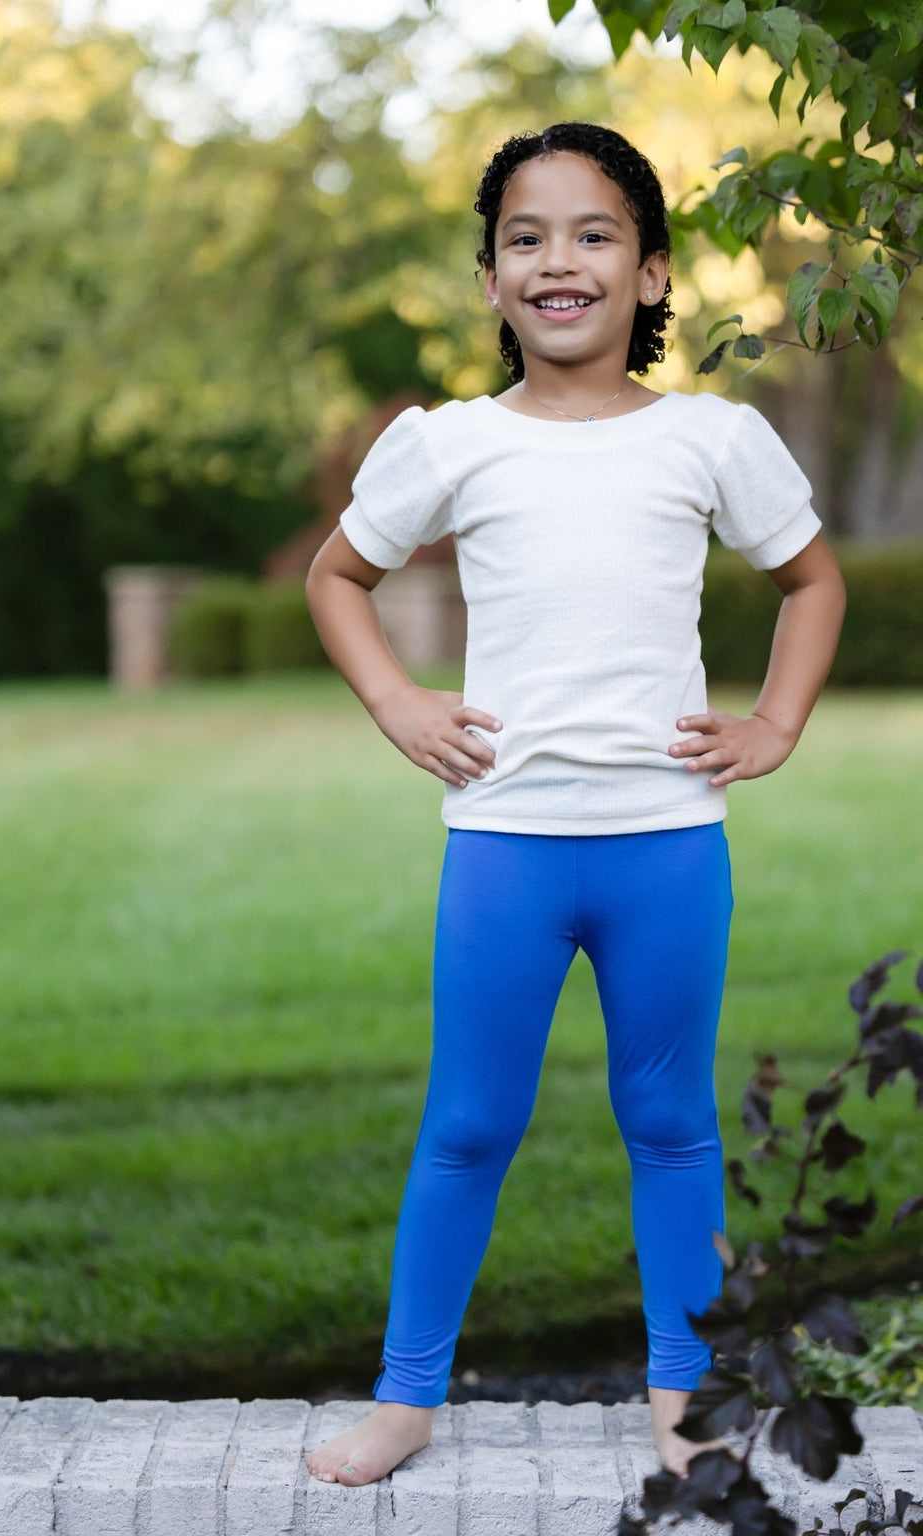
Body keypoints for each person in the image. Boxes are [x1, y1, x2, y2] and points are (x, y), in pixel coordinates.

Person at [303, 121, 846, 1485]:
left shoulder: (711, 438)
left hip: (668, 844)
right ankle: (405, 1400)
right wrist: (398, 703)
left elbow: (812, 580)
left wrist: (776, 721)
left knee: (670, 1125)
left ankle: (683, 1393)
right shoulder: (452, 444)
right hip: (507, 848)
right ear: (490, 278)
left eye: (595, 234)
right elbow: (337, 576)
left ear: (652, 272)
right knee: (468, 1126)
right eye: (526, 238)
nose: (560, 261)